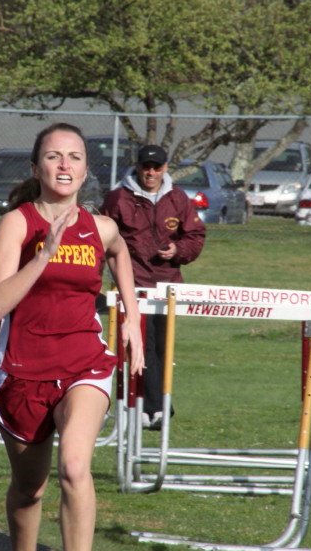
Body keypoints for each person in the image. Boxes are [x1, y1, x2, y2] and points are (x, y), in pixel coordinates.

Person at [0, 122, 144, 551]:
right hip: (24, 369)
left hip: (84, 362)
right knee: (29, 490)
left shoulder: (100, 227)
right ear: (36, 167)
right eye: (53, 156)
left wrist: (131, 317)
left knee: (74, 467)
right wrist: (45, 256)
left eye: (74, 157)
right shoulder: (17, 223)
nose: (64, 165)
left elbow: (120, 252)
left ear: (85, 170)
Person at [100, 144, 205, 430]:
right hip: (132, 285)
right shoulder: (117, 198)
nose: (151, 172)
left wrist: (178, 250)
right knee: (140, 346)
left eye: (157, 167)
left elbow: (195, 235)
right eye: (146, 167)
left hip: (168, 286)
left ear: (165, 168)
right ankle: (151, 409)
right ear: (137, 167)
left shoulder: (178, 198)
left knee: (161, 348)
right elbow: (100, 238)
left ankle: (156, 406)